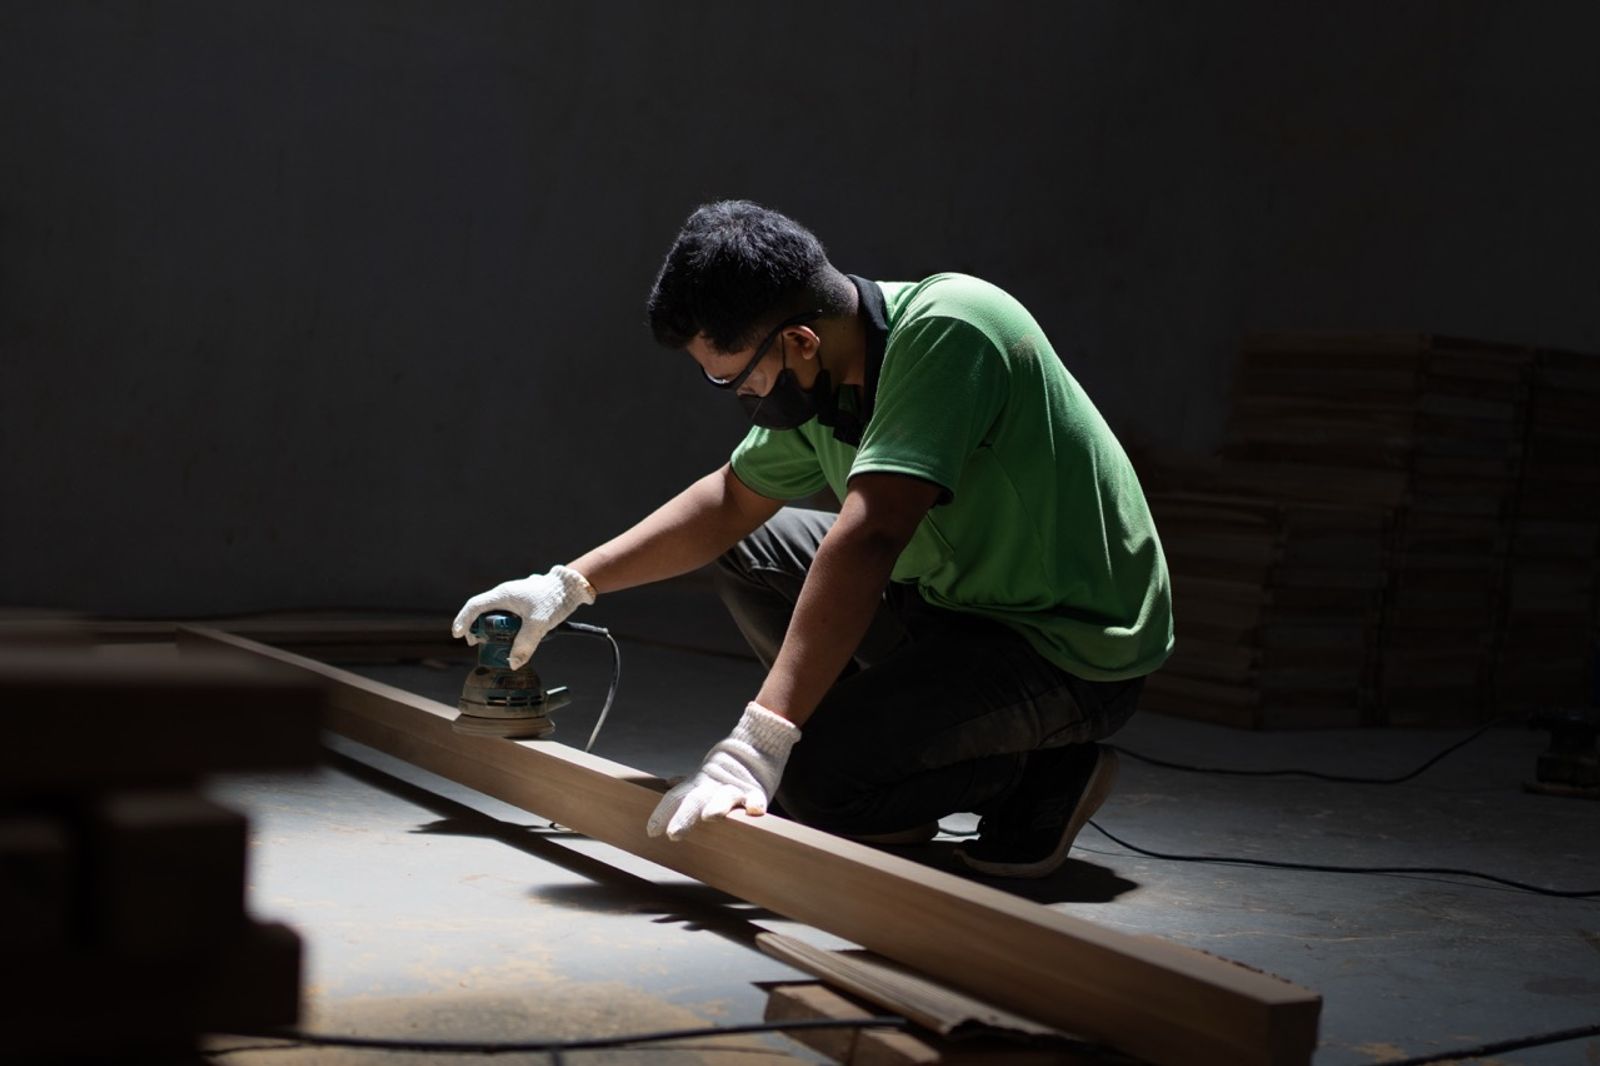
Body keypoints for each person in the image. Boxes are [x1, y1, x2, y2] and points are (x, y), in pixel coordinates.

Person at [451, 200, 1172, 878]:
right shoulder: (826, 378)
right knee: (752, 552)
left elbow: (872, 535)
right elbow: (730, 503)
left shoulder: (953, 330)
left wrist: (763, 741)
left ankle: (1039, 772)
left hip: (1063, 649)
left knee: (820, 787)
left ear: (799, 339)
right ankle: (876, 749)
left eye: (732, 376)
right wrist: (567, 585)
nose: (737, 396)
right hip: (952, 610)